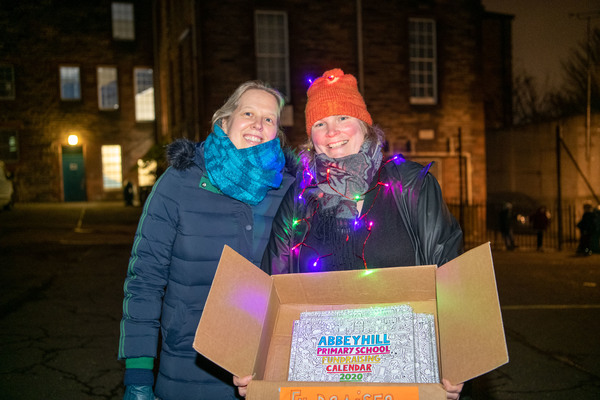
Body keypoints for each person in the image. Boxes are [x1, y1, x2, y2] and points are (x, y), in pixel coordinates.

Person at [235, 69, 465, 399]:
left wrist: (455, 361)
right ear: (310, 136)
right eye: (319, 123)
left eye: (342, 117)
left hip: (405, 376)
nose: (332, 132)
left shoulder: (410, 185)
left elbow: (450, 274)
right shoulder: (300, 200)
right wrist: (251, 362)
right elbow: (271, 285)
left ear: (364, 124)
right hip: (321, 376)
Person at [118, 81, 296, 400]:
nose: (258, 124)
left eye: (269, 119)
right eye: (249, 113)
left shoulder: (289, 191)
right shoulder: (178, 184)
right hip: (188, 369)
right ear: (224, 121)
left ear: (277, 134)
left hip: (266, 371)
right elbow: (144, 281)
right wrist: (139, 373)